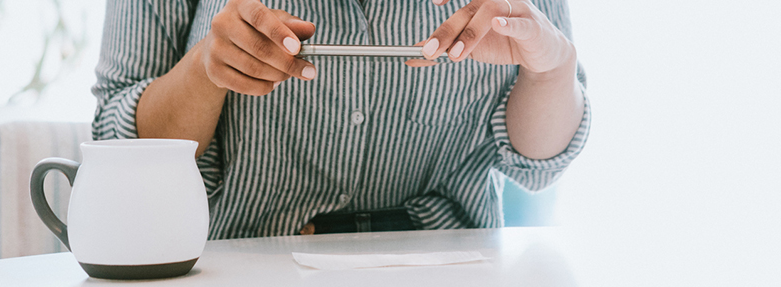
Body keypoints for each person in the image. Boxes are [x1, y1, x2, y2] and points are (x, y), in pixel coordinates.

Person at [91, 0, 588, 239]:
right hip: (240, 275)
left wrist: (551, 71)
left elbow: (539, 167)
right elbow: (121, 159)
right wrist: (205, 71)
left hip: (454, 272)